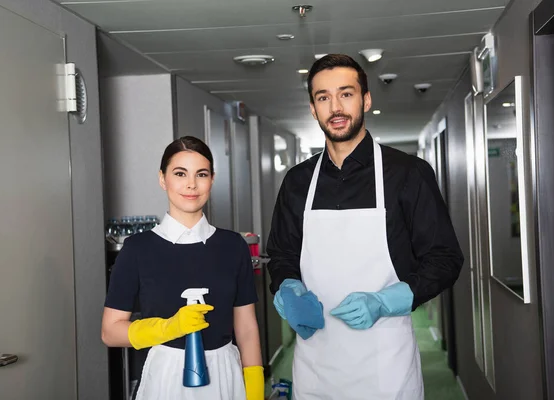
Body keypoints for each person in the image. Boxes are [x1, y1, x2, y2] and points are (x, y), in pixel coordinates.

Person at [266, 54, 464, 399]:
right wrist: (287, 286)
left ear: (366, 100)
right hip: (316, 364)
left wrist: (387, 301)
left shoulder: (407, 173)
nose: (335, 107)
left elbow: (445, 258)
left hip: (386, 364)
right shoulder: (298, 181)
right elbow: (282, 253)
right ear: (313, 108)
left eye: (346, 94)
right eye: (323, 97)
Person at [102, 136, 264, 400]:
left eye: (201, 174)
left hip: (226, 374)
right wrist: (169, 328)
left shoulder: (233, 246)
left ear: (212, 179)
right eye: (180, 173)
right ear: (162, 179)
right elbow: (110, 332)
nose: (191, 184)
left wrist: (255, 389)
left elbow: (246, 328)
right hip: (166, 376)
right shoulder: (137, 249)